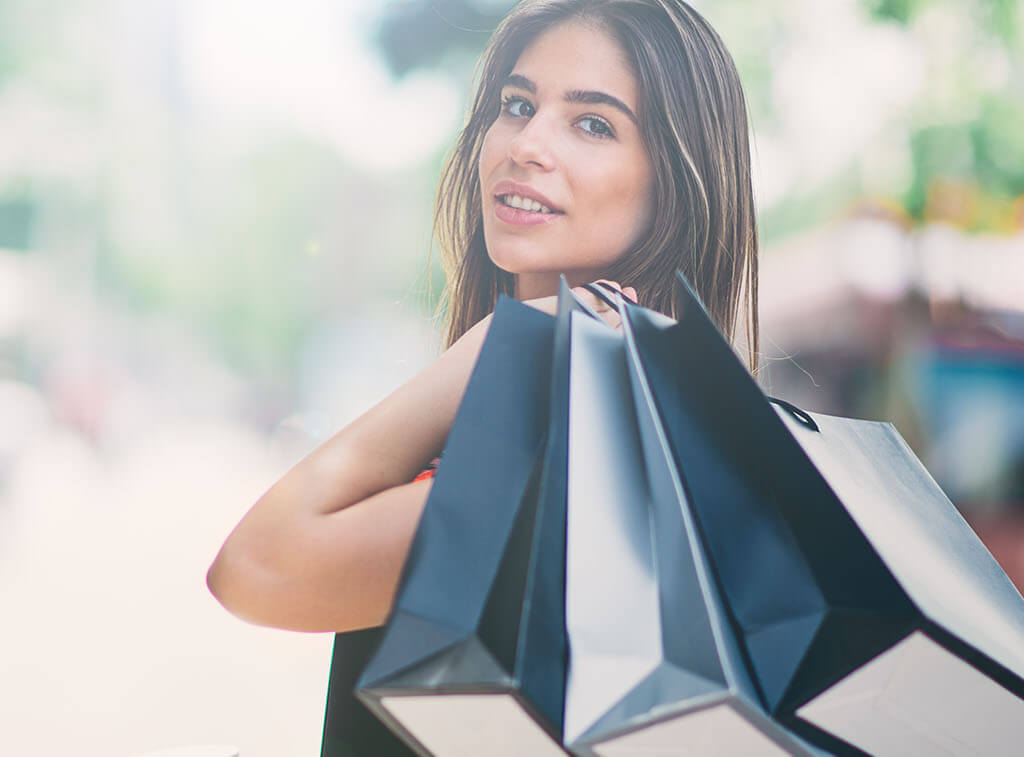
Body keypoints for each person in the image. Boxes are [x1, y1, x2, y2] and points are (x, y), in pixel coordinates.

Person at [204, 0, 759, 753]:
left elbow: (257, 566)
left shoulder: (585, 447)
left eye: (592, 123)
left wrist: (493, 346)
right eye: (517, 105)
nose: (526, 144)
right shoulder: (630, 428)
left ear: (675, 183)